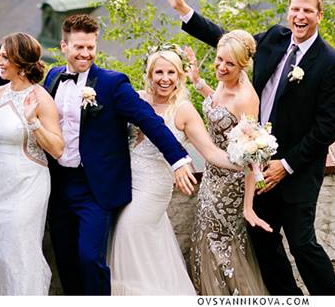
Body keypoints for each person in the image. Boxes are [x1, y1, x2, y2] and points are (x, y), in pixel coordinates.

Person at [160, 0, 335, 295]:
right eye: (295, 9)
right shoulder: (275, 37)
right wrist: (182, 9)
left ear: (320, 15)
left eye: (307, 11)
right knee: (263, 240)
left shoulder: (331, 64)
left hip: (296, 169)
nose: (299, 16)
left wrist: (285, 165)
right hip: (255, 167)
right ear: (288, 11)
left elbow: (327, 128)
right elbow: (229, 43)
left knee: (302, 244)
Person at [43, 13, 197, 296]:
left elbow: (150, 120)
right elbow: (32, 103)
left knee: (91, 259)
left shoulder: (112, 84)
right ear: (64, 47)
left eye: (91, 47)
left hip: (95, 188)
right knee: (65, 259)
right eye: (79, 47)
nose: (86, 53)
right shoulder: (53, 77)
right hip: (59, 184)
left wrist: (178, 159)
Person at [109, 45, 270, 295]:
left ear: (179, 76)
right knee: (134, 251)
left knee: (127, 233)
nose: (164, 79)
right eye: (158, 72)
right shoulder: (136, 99)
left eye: (171, 72)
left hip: (153, 188)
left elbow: (211, 152)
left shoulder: (183, 110)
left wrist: (244, 159)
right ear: (149, 74)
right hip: (127, 184)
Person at [182, 30, 270, 295]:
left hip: (230, 186)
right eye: (219, 60)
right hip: (211, 175)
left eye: (229, 64)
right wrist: (198, 82)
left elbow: (253, 154)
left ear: (242, 65)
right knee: (205, 238)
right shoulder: (223, 81)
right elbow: (218, 108)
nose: (221, 67)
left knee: (221, 246)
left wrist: (248, 207)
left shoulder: (246, 99)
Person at [0, 32, 64, 295]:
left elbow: (58, 149)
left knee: (20, 251)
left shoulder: (40, 98)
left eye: (4, 56)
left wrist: (33, 123)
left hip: (28, 184)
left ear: (21, 62)